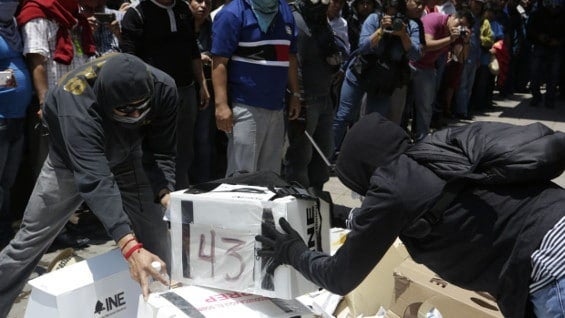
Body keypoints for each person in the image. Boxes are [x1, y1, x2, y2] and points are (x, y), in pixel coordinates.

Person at [257, 112, 565, 318]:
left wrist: (292, 251)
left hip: (551, 268)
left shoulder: (391, 185)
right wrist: (336, 214)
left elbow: (339, 277)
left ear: (363, 170)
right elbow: (399, 221)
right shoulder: (436, 153)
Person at [0, 53, 177, 316]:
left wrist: (165, 192)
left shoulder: (164, 88)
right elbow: (94, 179)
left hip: (128, 154)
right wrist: (129, 246)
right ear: (105, 100)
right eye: (126, 110)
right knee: (30, 242)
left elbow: (162, 151)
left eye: (142, 107)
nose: (136, 114)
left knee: (159, 238)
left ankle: (163, 307)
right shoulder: (76, 101)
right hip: (70, 162)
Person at [120, 0, 210, 189]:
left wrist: (201, 84)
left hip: (186, 90)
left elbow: (192, 49)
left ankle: (180, 194)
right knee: (157, 150)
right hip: (154, 96)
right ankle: (158, 197)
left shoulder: (183, 9)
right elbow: (129, 59)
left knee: (185, 149)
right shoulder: (136, 14)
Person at [211, 0, 301, 176]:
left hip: (276, 107)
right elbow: (219, 62)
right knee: (242, 176)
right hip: (245, 106)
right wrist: (221, 105)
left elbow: (290, 56)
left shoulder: (285, 12)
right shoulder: (233, 14)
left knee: (270, 175)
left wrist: (295, 93)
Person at [332, 0, 422, 154]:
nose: (393, 16)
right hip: (360, 73)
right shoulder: (374, 19)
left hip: (384, 80)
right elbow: (363, 47)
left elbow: (416, 54)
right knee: (344, 115)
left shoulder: (411, 26)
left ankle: (362, 157)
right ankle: (329, 153)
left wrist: (403, 35)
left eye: (396, 12)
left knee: (373, 122)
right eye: (390, 10)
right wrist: (381, 30)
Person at [283, 0, 340, 192]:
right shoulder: (298, 21)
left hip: (324, 96)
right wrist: (297, 97)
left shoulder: (320, 22)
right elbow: (294, 64)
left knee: (325, 151)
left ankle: (317, 196)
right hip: (306, 100)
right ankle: (298, 196)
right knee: (301, 155)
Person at [405, 9, 472, 142]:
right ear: (452, 16)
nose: (458, 28)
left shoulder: (455, 34)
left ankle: (422, 140)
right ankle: (400, 137)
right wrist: (449, 39)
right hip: (410, 64)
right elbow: (426, 45)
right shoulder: (434, 19)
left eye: (462, 27)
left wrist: (465, 42)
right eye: (458, 23)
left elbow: (461, 58)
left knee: (425, 107)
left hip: (428, 68)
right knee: (404, 106)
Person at [0, 0, 33, 249]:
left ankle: (5, 226)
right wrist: (8, 78)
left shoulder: (14, 25)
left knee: (8, 180)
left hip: (18, 116)